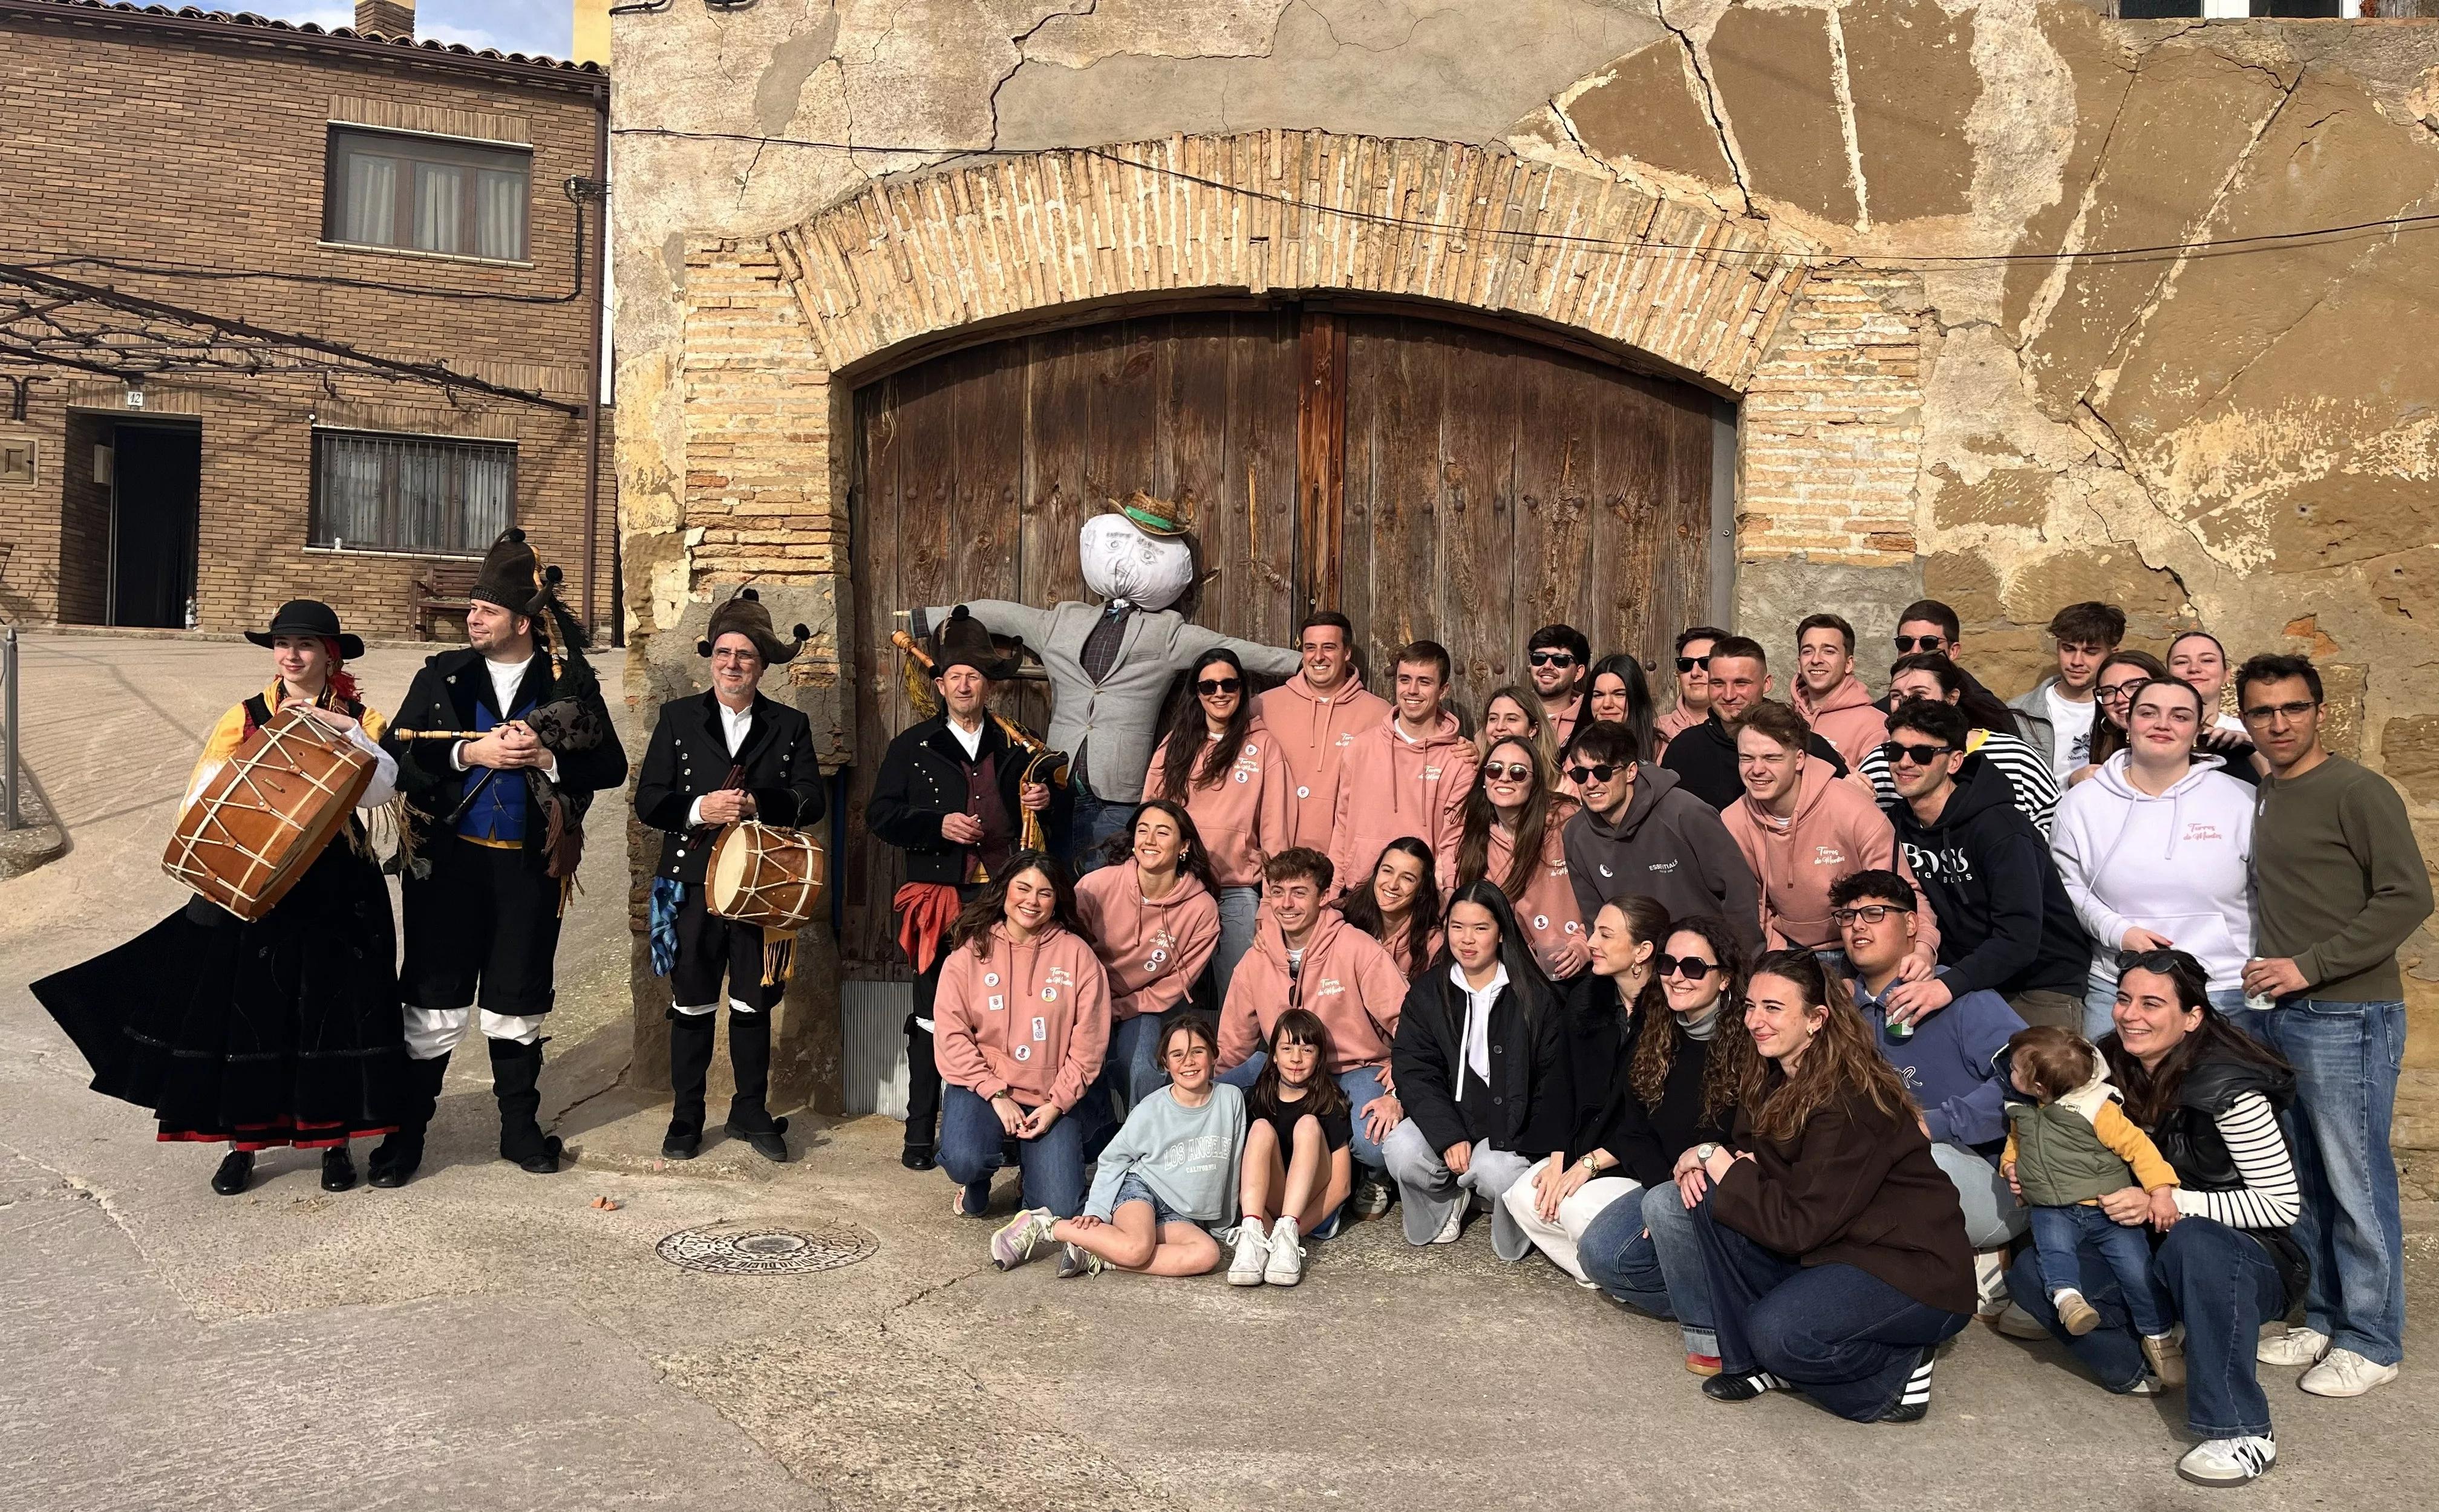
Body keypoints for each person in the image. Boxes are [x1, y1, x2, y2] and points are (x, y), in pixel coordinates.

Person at [35, 601, 406, 1196]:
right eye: (283, 644)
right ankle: (244, 1146)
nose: (291, 655)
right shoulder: (246, 715)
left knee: (331, 1010)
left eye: (305, 645)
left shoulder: (363, 717)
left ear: (330, 655)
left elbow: (380, 789)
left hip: (337, 879)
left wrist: (344, 732)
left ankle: (334, 1143)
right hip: (257, 879)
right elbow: (205, 793)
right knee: (250, 1012)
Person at [2002, 950, 2304, 1487]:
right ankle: (2140, 1366)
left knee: (2195, 1242)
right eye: (2123, 999)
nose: (2130, 1015)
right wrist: (2032, 1173)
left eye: (2151, 1004)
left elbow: (2280, 1205)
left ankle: (2241, 1430)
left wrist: (2164, 1201)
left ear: (2192, 1017)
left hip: (2242, 1258)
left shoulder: (2231, 1090)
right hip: (2144, 1249)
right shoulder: (2101, 1066)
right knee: (2032, 1273)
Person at [382, 529, 628, 1180]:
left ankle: (520, 1132)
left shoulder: (566, 680)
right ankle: (406, 1137)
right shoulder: (443, 674)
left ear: (521, 621)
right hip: (447, 867)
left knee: (517, 1002)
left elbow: (611, 766)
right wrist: (471, 752)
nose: (472, 618)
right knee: (433, 1001)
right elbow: (397, 755)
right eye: (472, 608)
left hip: (529, 869)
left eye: (486, 610)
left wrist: (547, 757)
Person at [2239, 653, 2432, 1399]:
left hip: (2348, 1012)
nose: (2279, 723)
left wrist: (2309, 966)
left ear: (2321, 711)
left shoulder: (2358, 789)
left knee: (2356, 1178)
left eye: (2293, 707)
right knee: (2308, 1177)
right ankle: (2324, 1316)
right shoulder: (2267, 790)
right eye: (2263, 711)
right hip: (2284, 1015)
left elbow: (2407, 896)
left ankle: (2372, 1338)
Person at [918, 494, 1299, 870]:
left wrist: (1303, 663)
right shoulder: (1063, 620)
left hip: (1118, 796)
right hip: (1054, 789)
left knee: (1105, 891)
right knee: (1053, 884)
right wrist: (926, 619)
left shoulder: (1166, 632)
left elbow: (1234, 649)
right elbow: (999, 614)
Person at [1688, 950, 1976, 1422]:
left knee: (1780, 1335)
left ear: (1816, 1019)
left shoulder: (1848, 1098)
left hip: (1912, 1269)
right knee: (1711, 1195)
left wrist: (1713, 1157)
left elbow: (1799, 1227)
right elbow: (1756, 1159)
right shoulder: (1775, 1072)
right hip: (1838, 1243)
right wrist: (1719, 1162)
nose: (1755, 1021)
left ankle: (1897, 1371)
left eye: (1773, 1008)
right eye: (1751, 1006)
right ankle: (1754, 1364)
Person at [633, 589, 826, 1163]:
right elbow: (649, 800)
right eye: (723, 653)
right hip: (692, 884)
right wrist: (700, 809)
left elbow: (811, 799)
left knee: (753, 1003)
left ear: (762, 665)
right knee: (692, 1003)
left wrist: (757, 802)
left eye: (744, 654)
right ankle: (687, 1115)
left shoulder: (790, 724)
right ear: (711, 659)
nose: (733, 663)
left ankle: (749, 1110)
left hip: (762, 888)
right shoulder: (677, 718)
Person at [866, 608, 1060, 1169]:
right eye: (955, 675)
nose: (965, 684)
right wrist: (938, 826)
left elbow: (1057, 815)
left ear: (988, 685)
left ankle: (1008, 1136)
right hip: (940, 900)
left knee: (1008, 1015)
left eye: (974, 675)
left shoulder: (1017, 745)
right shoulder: (912, 746)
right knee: (932, 1016)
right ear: (940, 685)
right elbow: (880, 816)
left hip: (1005, 901)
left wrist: (1047, 801)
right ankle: (919, 1134)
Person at [1567, 913, 1757, 1375]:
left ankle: (1712, 1336)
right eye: (1669, 964)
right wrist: (1663, 1187)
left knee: (1667, 1207)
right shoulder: (1658, 1031)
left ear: (1725, 978)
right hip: (1670, 1184)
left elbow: (1749, 1138)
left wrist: (1687, 1182)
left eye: (1694, 967)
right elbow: (1633, 1133)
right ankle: (1731, 1302)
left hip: (1726, 1184)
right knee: (1601, 1255)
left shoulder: (1751, 1041)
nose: (1676, 976)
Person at [1833, 868, 2026, 1314]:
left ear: (1911, 924)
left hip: (1993, 1180)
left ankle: (1984, 1256)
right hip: (1889, 1173)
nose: (1858, 925)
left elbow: (2030, 1083)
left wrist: (1933, 1125)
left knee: (1915, 1156)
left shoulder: (1963, 997)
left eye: (1874, 913)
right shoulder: (1842, 1012)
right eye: (1847, 916)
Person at [2051, 675, 2255, 1038]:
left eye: (2180, 716)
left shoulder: (2242, 800)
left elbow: (2268, 887)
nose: (2163, 724)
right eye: (2148, 713)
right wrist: (2119, 932)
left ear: (2198, 730)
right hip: (2121, 985)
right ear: (2128, 724)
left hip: (2223, 987)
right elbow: (2069, 886)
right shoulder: (2081, 803)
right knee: (2111, 1078)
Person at [1216, 849, 1409, 1213]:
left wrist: (1399, 1080)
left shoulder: (1357, 947)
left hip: (1353, 1067)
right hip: (1285, 1066)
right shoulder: (1257, 958)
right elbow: (1234, 1041)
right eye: (1278, 892)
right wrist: (1215, 1091)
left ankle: (1370, 1175)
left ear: (1323, 897)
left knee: (1375, 1143)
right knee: (1213, 1098)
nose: (1286, 904)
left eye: (1299, 893)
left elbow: (1409, 1021)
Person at [1880, 698, 2090, 1029]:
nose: (1904, 763)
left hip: (2039, 981)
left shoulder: (2000, 828)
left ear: (1954, 761)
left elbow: (2020, 938)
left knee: (2036, 1062)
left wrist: (1946, 986)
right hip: (1960, 975)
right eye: (1894, 751)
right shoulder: (1897, 823)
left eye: (1922, 753)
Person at [1383, 881, 1569, 1251]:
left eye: (1480, 928)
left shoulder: (1536, 996)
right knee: (1401, 1150)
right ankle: (1447, 1200)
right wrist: (1448, 1135)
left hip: (1513, 1126)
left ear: (1501, 933)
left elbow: (1553, 1080)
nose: (1467, 939)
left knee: (1495, 1171)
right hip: (1453, 1115)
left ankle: (1507, 1218)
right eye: (1457, 927)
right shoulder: (1428, 992)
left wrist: (1514, 1138)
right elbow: (1414, 1069)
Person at [989, 1012, 1244, 1279]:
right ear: (1165, 1063)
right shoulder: (1151, 1109)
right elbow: (1114, 1158)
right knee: (1137, 1249)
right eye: (1177, 1054)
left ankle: (1100, 1255)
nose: (1188, 1062)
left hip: (1180, 1213)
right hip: (1141, 1191)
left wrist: (1221, 1224)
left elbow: (1232, 1164)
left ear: (1214, 1056)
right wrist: (1097, 1210)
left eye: (1198, 1052)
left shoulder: (1231, 1099)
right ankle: (1044, 1226)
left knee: (1207, 1254)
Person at [1999, 1023, 2183, 1384]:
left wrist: (2161, 1191)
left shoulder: (2096, 1108)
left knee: (2136, 1271)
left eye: (2016, 1070)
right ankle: (2069, 1300)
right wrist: (2009, 1166)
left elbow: (2139, 1149)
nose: (2010, 1073)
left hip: (2106, 1207)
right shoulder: (2022, 1107)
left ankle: (2159, 1337)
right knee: (2054, 1253)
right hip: (2053, 1207)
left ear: (2040, 1087)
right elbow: (2017, 1142)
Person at [931, 852, 1111, 1220]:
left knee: (1058, 1211)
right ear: (1004, 891)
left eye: (1045, 893)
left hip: (1048, 1095)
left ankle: (1029, 1180)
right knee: (965, 1159)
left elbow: (1090, 1045)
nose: (1032, 901)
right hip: (983, 1087)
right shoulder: (971, 953)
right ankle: (975, 1183)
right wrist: (996, 1093)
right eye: (1023, 889)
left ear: (1057, 900)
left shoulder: (1078, 956)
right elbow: (951, 1035)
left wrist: (1058, 1104)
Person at [1720, 700, 1937, 969]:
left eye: (1772, 758)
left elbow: (1905, 894)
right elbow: (1754, 909)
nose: (1757, 769)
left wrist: (1924, 949)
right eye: (1747, 758)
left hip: (1863, 945)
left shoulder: (1852, 808)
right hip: (1789, 950)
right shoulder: (1733, 821)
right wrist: (1779, 961)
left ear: (1799, 759)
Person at [1145, 648, 1293, 1000]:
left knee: (1242, 996)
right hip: (1177, 888)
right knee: (1167, 994)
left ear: (1242, 689)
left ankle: (1238, 1042)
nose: (1220, 693)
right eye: (1209, 686)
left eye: (1229, 684)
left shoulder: (1264, 746)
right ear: (1197, 693)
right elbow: (1150, 817)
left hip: (1236, 890)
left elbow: (1276, 832)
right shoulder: (1175, 745)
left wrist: (1271, 903)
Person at [1073, 799, 1221, 1117]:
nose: (1150, 840)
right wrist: (1092, 1005)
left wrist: (1120, 1009)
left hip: (1144, 1004)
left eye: (1163, 833)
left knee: (1142, 1068)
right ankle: (1096, 1135)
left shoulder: (1201, 909)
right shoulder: (1094, 887)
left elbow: (1175, 984)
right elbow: (1067, 953)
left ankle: (1144, 1138)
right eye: (1143, 831)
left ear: (1184, 846)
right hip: (1084, 1001)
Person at [1562, 719, 1760, 955]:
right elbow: (1595, 917)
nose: (1591, 783)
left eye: (1603, 772)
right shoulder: (1576, 834)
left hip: (1703, 960)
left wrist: (1745, 960)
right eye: (1581, 774)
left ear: (1631, 771)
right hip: (1635, 964)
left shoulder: (1685, 813)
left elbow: (1738, 891)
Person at [1327, 640, 1478, 894]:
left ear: (1443, 690)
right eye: (1405, 680)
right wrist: (1332, 888)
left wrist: (1448, 893)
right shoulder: (1360, 748)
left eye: (1425, 682)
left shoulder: (1458, 761)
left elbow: (1454, 841)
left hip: (1420, 894)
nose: (1412, 690)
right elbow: (1342, 824)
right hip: (1360, 889)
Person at [1859, 653, 2057, 835]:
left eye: (1919, 693)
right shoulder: (1881, 760)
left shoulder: (2015, 757)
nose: (1905, 703)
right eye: (1896, 695)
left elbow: (2055, 830)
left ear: (1952, 698)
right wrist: (1851, 795)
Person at [1229, 1008, 1356, 1286]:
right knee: (1260, 1128)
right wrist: (1265, 1226)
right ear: (1274, 1055)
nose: (1296, 1058)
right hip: (1272, 1213)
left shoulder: (1329, 1101)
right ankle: (1252, 1235)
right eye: (1287, 1048)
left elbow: (1342, 1186)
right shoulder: (1258, 1096)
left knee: (1308, 1125)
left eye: (1307, 1050)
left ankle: (1287, 1235)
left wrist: (1292, 1232)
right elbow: (1243, 1173)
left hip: (1313, 1213)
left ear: (1319, 1056)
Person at [1660, 634, 1846, 809]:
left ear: (1767, 684)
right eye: (1718, 684)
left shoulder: (1803, 744)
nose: (1729, 695)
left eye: (1741, 683)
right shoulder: (1684, 749)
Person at [1258, 610, 1391, 852]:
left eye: (1329, 647)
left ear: (1347, 653)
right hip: (1274, 858)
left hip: (1340, 858)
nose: (1318, 657)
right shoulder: (1263, 706)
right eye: (1310, 648)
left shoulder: (1379, 714)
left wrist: (1460, 749)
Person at [1456, 737, 1585, 981]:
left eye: (1518, 772)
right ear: (1484, 779)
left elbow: (1605, 889)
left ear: (1534, 783)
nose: (1504, 778)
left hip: (1583, 963)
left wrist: (1584, 943)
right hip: (1523, 972)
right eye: (1495, 770)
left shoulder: (1566, 820)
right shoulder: (1477, 838)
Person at [2007, 599, 2123, 780]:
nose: (2077, 661)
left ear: (2112, 655)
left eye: (2090, 652)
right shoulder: (2018, 713)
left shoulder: (2123, 711)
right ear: (2058, 648)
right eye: (2069, 649)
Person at [1337, 836, 1443, 979]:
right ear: (1376, 873)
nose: (1393, 885)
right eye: (1387, 871)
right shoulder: (1344, 917)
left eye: (1407, 878)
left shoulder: (1433, 946)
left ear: (1422, 889)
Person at [1791, 612, 1889, 766]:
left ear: (1848, 664)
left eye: (1829, 651)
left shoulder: (1875, 725)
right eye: (1808, 651)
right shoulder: (1785, 718)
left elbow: (1872, 781)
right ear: (1799, 664)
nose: (1816, 660)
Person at [2167, 630, 2262, 779]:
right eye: (2181, 662)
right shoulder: (2152, 731)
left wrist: (2251, 748)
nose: (2194, 669)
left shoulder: (2251, 733)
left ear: (2227, 675)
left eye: (2207, 660)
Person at [2070, 649, 2171, 784]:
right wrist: (2076, 780)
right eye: (2108, 692)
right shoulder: (2106, 756)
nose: (2120, 699)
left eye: (2133, 686)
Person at [1655, 625, 1726, 754]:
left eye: (1706, 663)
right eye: (1686, 664)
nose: (1695, 673)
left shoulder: (1742, 731)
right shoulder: (1655, 731)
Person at [1584, 653, 1658, 770]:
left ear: (1636, 698)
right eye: (1599, 695)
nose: (1607, 704)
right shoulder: (1577, 751)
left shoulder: (1660, 751)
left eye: (1619, 694)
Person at [1526, 623, 1593, 749]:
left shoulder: (1590, 721)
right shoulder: (1508, 713)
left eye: (1560, 660)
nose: (1547, 666)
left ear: (1578, 673)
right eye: (1539, 658)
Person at [1478, 684, 1561, 777]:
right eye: (1493, 719)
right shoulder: (1473, 772)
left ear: (1532, 730)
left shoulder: (1560, 783)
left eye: (1511, 719)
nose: (1500, 727)